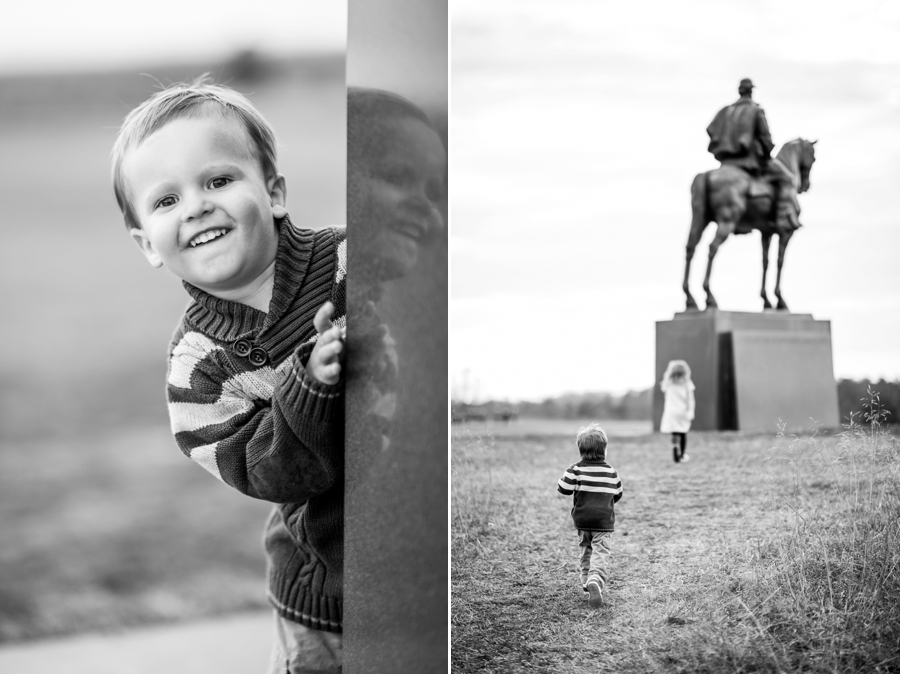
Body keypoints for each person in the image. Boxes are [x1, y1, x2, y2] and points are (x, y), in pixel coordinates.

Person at [111, 77, 346, 673]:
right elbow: (273, 473)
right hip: (323, 590)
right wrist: (308, 385)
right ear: (147, 243)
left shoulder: (352, 262)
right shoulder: (197, 367)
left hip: (414, 554)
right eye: (166, 201)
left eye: (218, 180)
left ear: (273, 192)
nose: (196, 206)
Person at [706, 78, 800, 230]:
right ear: (751, 91)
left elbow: (711, 129)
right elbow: (765, 137)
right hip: (749, 161)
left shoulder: (725, 110)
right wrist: (767, 153)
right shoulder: (755, 110)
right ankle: (781, 218)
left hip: (727, 162)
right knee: (787, 179)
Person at [556, 423, 623, 609]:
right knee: (600, 551)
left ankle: (587, 582)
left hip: (583, 521)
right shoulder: (611, 472)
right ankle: (596, 578)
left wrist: (568, 473)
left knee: (586, 549)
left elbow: (563, 488)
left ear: (581, 450)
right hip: (603, 521)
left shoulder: (575, 470)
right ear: (605, 450)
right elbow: (618, 493)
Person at [660, 360, 696, 463]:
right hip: (682, 411)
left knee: (675, 433)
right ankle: (682, 455)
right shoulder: (687, 383)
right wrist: (690, 411)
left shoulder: (668, 383)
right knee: (683, 432)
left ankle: (675, 448)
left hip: (671, 412)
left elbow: (664, 390)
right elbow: (690, 399)